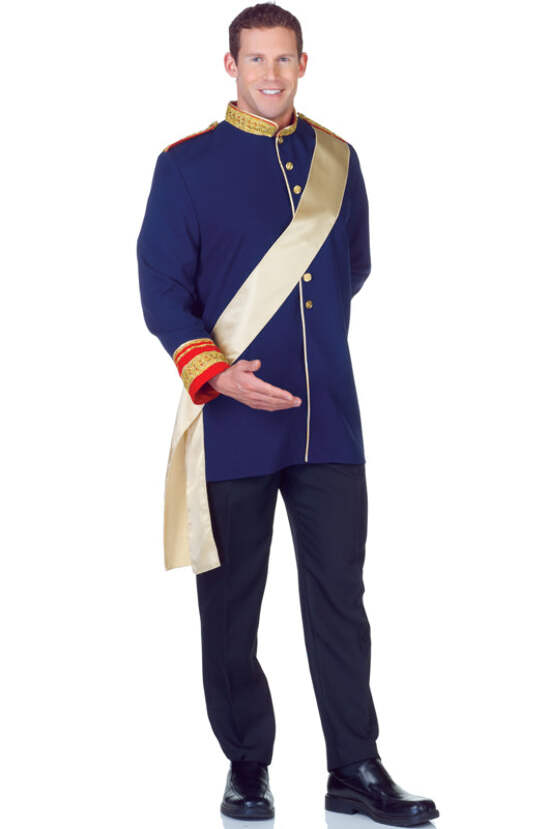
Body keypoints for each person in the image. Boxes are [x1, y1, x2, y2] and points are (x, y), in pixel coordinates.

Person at [137, 3, 439, 825]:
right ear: (229, 65)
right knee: (231, 602)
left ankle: (354, 766)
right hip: (232, 421)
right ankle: (246, 764)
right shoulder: (185, 166)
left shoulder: (338, 157)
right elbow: (162, 289)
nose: (270, 74)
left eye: (283, 59)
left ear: (303, 64)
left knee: (340, 595)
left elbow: (352, 267)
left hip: (328, 417)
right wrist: (217, 372)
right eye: (255, 59)